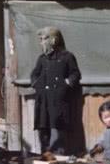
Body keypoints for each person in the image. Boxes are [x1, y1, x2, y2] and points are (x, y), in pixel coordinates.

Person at [30, 26, 81, 156]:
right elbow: (34, 74)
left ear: (54, 40)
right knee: (43, 131)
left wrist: (65, 84)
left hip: (59, 102)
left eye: (44, 39)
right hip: (43, 102)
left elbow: (75, 74)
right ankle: (45, 163)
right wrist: (36, 84)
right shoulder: (42, 59)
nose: (41, 42)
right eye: (40, 39)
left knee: (58, 132)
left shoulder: (67, 57)